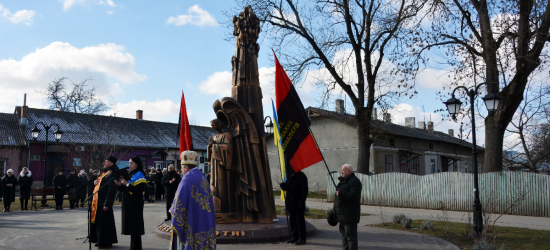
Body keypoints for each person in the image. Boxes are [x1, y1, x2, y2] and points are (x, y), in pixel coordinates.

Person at [170, 150, 216, 250]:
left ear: (186, 167)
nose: (181, 170)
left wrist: (172, 210)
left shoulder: (186, 179)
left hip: (191, 220)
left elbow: (178, 205)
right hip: (204, 219)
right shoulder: (202, 177)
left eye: (181, 167)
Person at [115, 156, 146, 250]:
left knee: (135, 229)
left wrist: (127, 184)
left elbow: (138, 191)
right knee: (131, 229)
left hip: (135, 204)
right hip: (127, 203)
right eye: (129, 163)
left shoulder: (140, 175)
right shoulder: (130, 174)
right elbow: (124, 189)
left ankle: (136, 248)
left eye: (132, 163)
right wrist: (119, 185)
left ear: (137, 164)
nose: (129, 165)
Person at [89, 156, 119, 248]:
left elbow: (112, 190)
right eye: (104, 162)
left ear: (112, 163)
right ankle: (99, 239)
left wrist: (107, 204)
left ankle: (105, 242)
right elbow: (101, 185)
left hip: (104, 202)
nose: (104, 163)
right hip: (98, 201)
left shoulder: (112, 173)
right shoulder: (105, 173)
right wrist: (95, 182)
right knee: (99, 223)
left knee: (104, 224)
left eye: (107, 162)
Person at [334, 164, 362, 250]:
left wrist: (341, 193)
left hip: (349, 215)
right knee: (344, 237)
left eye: (344, 170)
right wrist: (334, 211)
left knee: (350, 238)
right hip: (342, 214)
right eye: (341, 170)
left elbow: (354, 196)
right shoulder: (342, 182)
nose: (341, 172)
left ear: (349, 171)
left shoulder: (354, 182)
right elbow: (338, 199)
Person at [280, 170, 308, 245]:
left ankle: (302, 238)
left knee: (300, 221)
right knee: (292, 221)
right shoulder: (289, 176)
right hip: (290, 202)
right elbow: (289, 188)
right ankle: (294, 236)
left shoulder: (301, 176)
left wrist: (301, 202)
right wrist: (284, 187)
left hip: (298, 203)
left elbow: (304, 191)